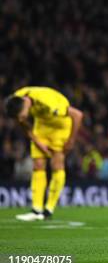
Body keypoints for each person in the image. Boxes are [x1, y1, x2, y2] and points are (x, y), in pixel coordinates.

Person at [4, 86, 83, 220]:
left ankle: (49, 209)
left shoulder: (49, 103)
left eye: (21, 116)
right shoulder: (17, 98)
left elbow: (78, 115)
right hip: (42, 125)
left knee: (56, 164)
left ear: (24, 107)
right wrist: (37, 141)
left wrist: (71, 140)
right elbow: (22, 122)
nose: (20, 119)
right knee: (38, 164)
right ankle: (36, 210)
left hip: (60, 126)